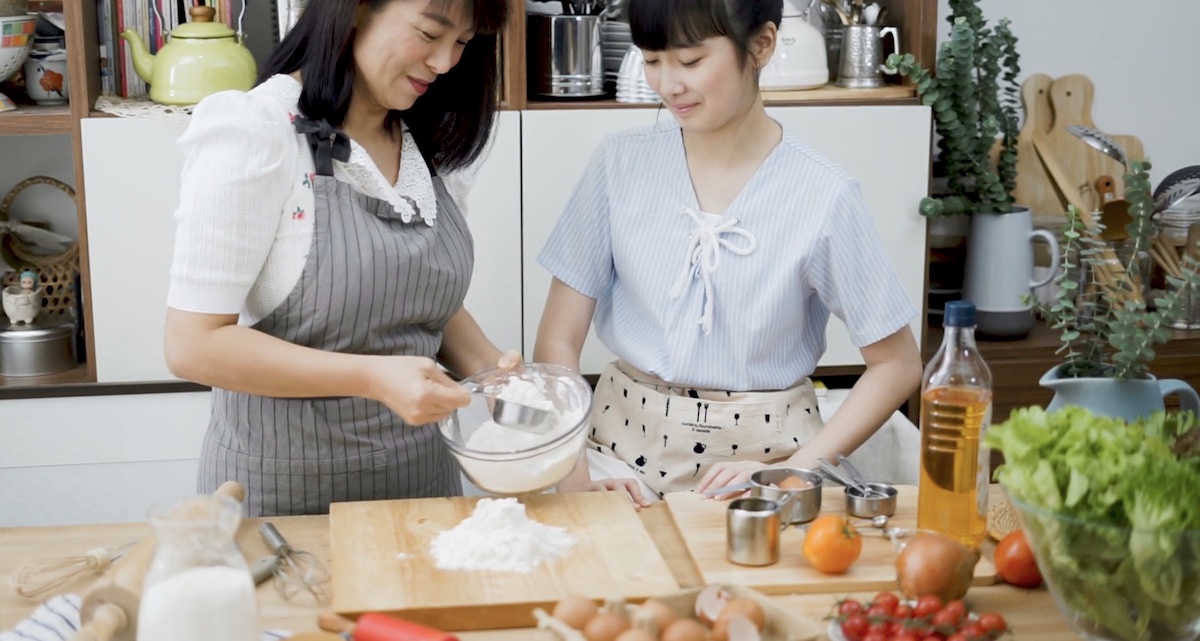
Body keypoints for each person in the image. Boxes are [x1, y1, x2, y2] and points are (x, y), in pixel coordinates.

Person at [533, 0, 922, 504]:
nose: (668, 85)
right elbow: (557, 342)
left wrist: (793, 471)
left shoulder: (823, 193)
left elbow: (897, 364)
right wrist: (574, 473)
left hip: (768, 466)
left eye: (691, 61)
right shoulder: (618, 164)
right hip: (619, 458)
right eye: (652, 61)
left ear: (760, 45)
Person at [163, 0, 514, 516]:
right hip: (286, 503)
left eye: (462, 43)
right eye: (429, 33)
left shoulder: (424, 141)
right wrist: (372, 377)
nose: (445, 63)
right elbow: (192, 346)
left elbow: (415, 290)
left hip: (422, 488)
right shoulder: (255, 133)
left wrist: (494, 374)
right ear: (355, 10)